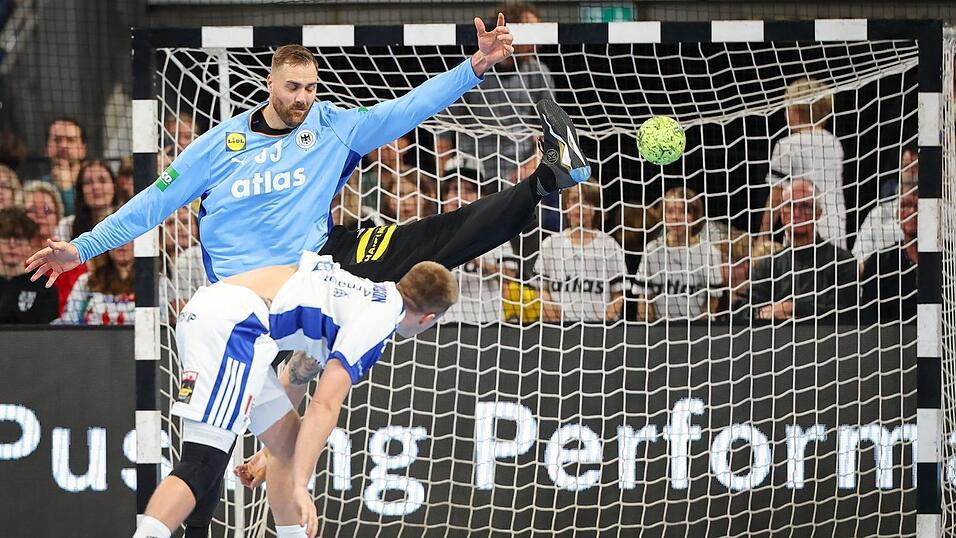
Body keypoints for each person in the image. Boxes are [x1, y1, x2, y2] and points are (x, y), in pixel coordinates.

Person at [27, 17, 517, 288]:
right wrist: (83, 247)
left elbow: (407, 109)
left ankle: (534, 189)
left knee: (426, 243)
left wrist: (473, 67)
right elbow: (152, 204)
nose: (303, 97)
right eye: (292, 87)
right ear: (269, 85)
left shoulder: (332, 126)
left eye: (310, 87)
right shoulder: (219, 144)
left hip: (311, 275)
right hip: (241, 296)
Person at [131, 253, 459, 538]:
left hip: (228, 318)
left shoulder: (365, 292)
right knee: (202, 461)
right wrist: (301, 487)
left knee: (286, 445)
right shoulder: (379, 320)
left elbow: (301, 370)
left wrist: (267, 450)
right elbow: (325, 406)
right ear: (429, 319)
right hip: (234, 325)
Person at [747, 179, 857, 322]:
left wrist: (792, 308)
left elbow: (846, 314)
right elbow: (749, 313)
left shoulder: (842, 263)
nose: (796, 212)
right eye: (790, 205)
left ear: (818, 213)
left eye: (804, 206)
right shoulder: (766, 268)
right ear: (781, 214)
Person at [761, 77, 846, 248]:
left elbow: (776, 197)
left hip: (801, 231)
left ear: (796, 109)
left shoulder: (787, 145)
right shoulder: (835, 143)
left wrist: (763, 236)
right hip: (835, 231)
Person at [535, 182, 625, 322]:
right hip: (557, 331)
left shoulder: (609, 246)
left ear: (596, 207)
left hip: (599, 333)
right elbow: (541, 290)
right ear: (566, 205)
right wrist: (555, 319)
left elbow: (618, 296)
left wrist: (602, 326)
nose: (580, 207)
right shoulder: (550, 244)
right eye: (574, 200)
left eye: (587, 201)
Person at [635, 187, 723, 322]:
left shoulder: (709, 253)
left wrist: (701, 329)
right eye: (670, 211)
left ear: (695, 217)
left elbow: (713, 299)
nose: (676, 217)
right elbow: (644, 297)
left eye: (684, 211)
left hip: (696, 332)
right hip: (660, 331)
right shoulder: (652, 250)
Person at [440, 170, 517, 324]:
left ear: (481, 196)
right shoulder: (433, 234)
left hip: (487, 321)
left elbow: (511, 274)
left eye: (469, 190)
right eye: (455, 189)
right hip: (444, 322)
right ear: (445, 197)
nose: (461, 196)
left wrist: (474, 255)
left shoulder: (496, 233)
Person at [859, 173, 918, 322]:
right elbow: (871, 320)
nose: (912, 212)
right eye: (906, 205)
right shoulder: (878, 264)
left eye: (919, 206)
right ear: (898, 216)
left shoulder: (948, 263)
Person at [852, 146, 917, 266]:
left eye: (916, 166)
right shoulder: (878, 214)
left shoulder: (943, 214)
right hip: (885, 279)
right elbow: (858, 260)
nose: (911, 170)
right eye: (906, 165)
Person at [0, 208, 58, 323]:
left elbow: (48, 334)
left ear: (29, 245)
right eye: (6, 237)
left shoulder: (44, 286)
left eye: (19, 238)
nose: (12, 244)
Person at [56, 241, 135, 325]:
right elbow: (69, 320)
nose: (122, 244)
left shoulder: (148, 281)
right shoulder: (86, 281)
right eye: (118, 239)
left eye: (129, 239)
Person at [57, 160, 123, 241]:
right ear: (81, 190)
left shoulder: (126, 221)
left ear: (114, 187)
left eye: (102, 181)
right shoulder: (67, 226)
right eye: (88, 182)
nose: (96, 187)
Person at [41, 118, 88, 216]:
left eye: (71, 140)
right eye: (57, 140)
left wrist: (66, 188)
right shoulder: (38, 186)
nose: (63, 146)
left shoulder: (94, 183)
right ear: (46, 148)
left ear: (83, 150)